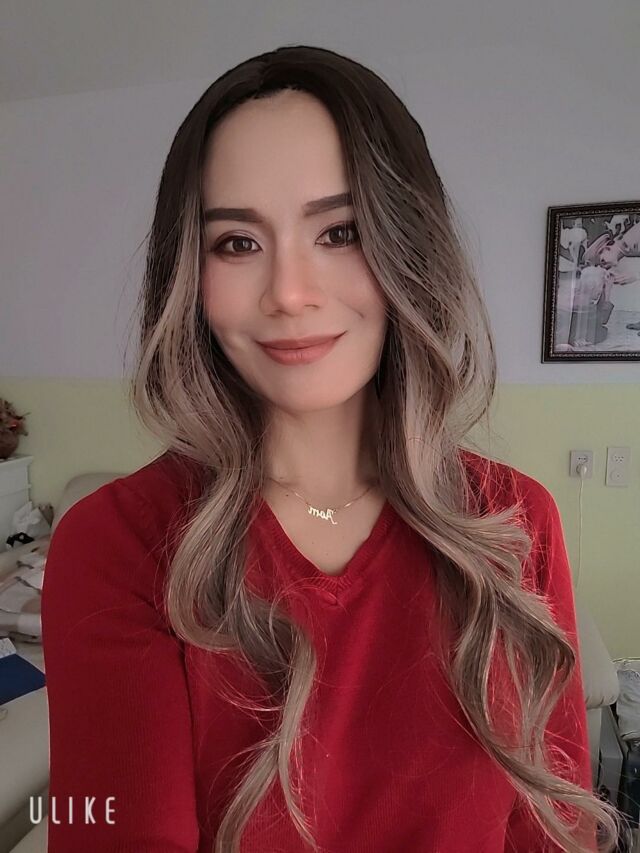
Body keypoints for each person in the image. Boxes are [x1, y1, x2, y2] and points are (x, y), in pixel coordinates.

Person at [40, 45, 625, 853]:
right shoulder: (117, 541)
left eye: (340, 231)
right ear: (190, 278)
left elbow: (554, 834)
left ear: (408, 249)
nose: (289, 291)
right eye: (237, 243)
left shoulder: (516, 520)